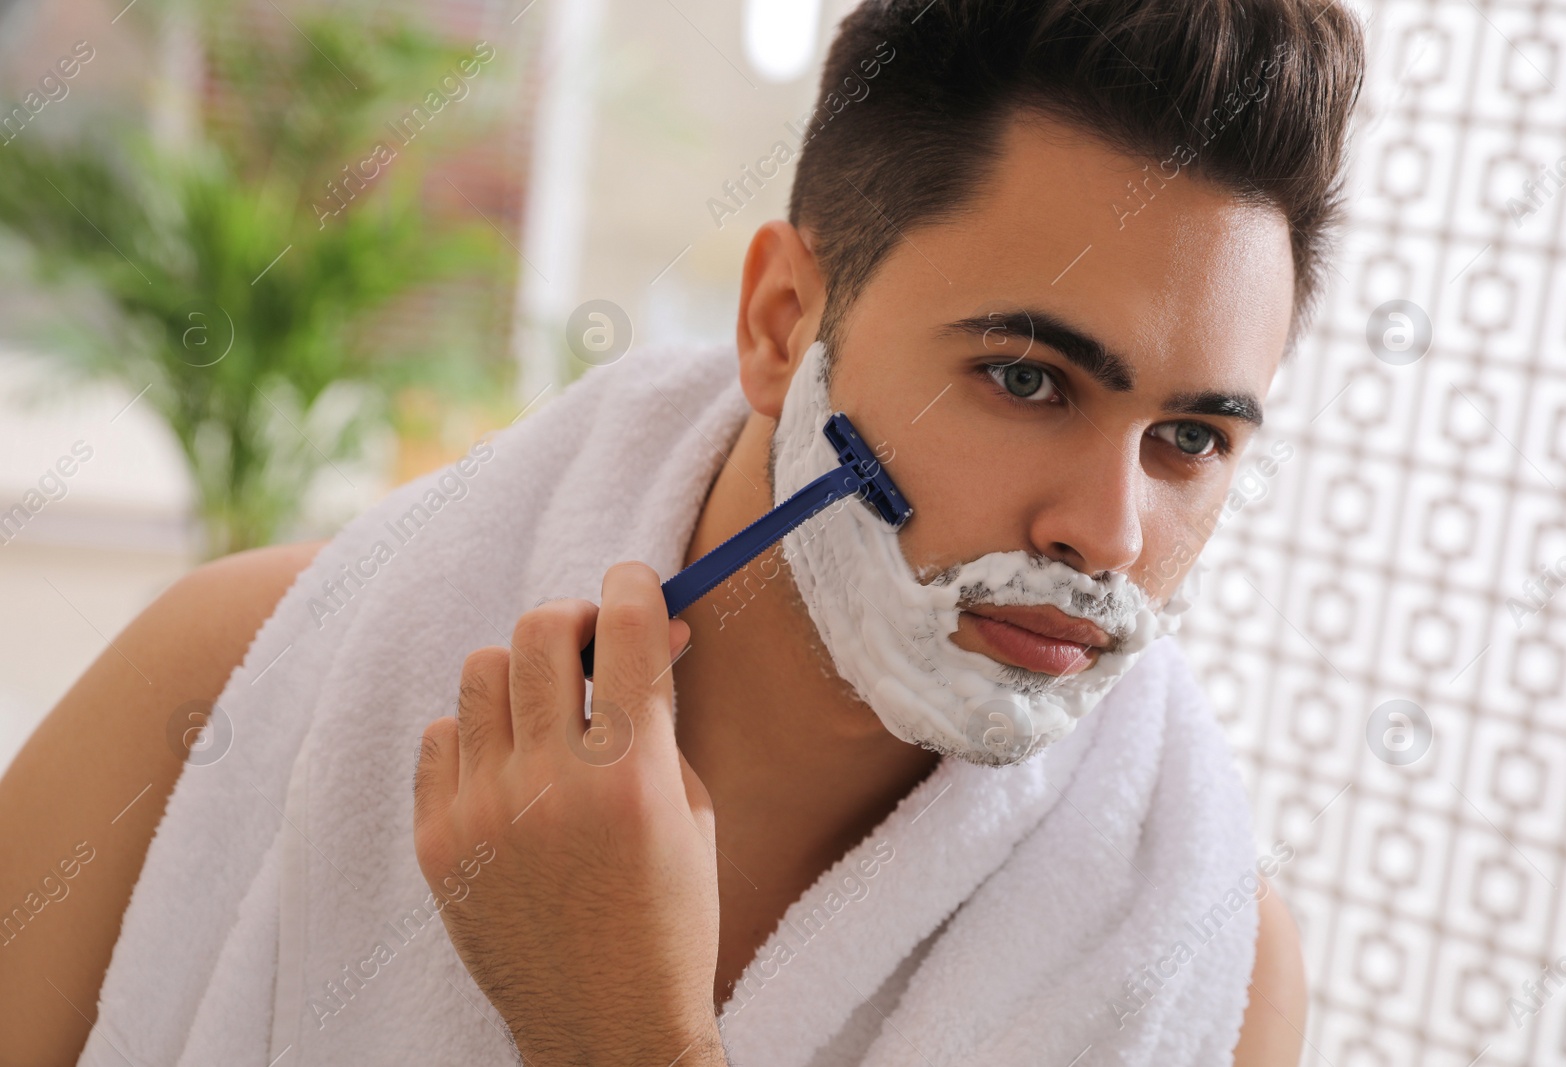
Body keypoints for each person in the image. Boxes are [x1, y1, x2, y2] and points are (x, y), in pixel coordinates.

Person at [0, 0, 1365, 1063]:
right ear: (782, 324)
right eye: (1024, 379)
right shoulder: (219, 685)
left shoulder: (1216, 980)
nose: (1107, 534)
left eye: (1191, 438)